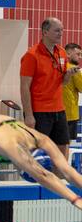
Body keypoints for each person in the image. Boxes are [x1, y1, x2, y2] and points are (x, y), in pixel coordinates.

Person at [20, 17, 70, 148]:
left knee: (62, 147)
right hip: (39, 111)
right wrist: (29, 115)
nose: (61, 33)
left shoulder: (62, 53)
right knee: (37, 150)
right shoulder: (32, 55)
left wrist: (69, 75)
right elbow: (24, 86)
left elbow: (63, 82)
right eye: (57, 30)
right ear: (45, 32)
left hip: (59, 109)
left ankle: (59, 170)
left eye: (62, 30)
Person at [62, 42, 82, 142]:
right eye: (78, 54)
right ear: (68, 53)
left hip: (57, 111)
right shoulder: (74, 70)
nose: (80, 57)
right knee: (68, 144)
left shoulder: (59, 66)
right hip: (70, 113)